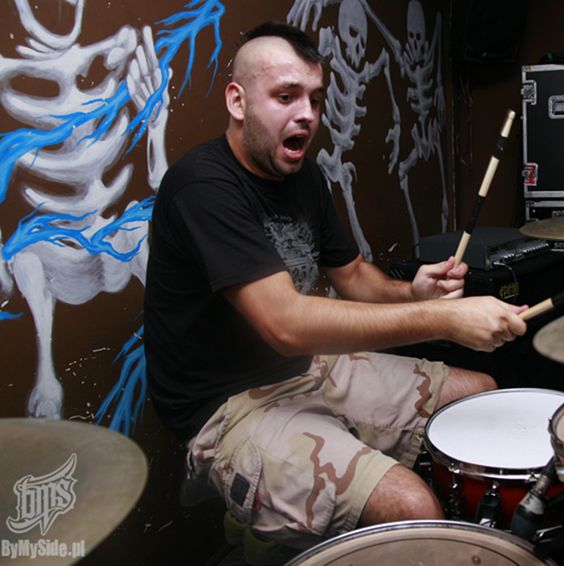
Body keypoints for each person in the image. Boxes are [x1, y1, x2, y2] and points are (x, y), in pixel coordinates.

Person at [143, 21, 527, 553]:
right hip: (227, 408)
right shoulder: (202, 185)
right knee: (412, 506)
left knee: (479, 395)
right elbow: (284, 323)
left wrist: (415, 293)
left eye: (315, 98)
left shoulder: (304, 178)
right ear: (237, 101)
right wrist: (443, 319)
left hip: (305, 368)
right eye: (285, 96)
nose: (307, 114)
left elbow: (354, 277)